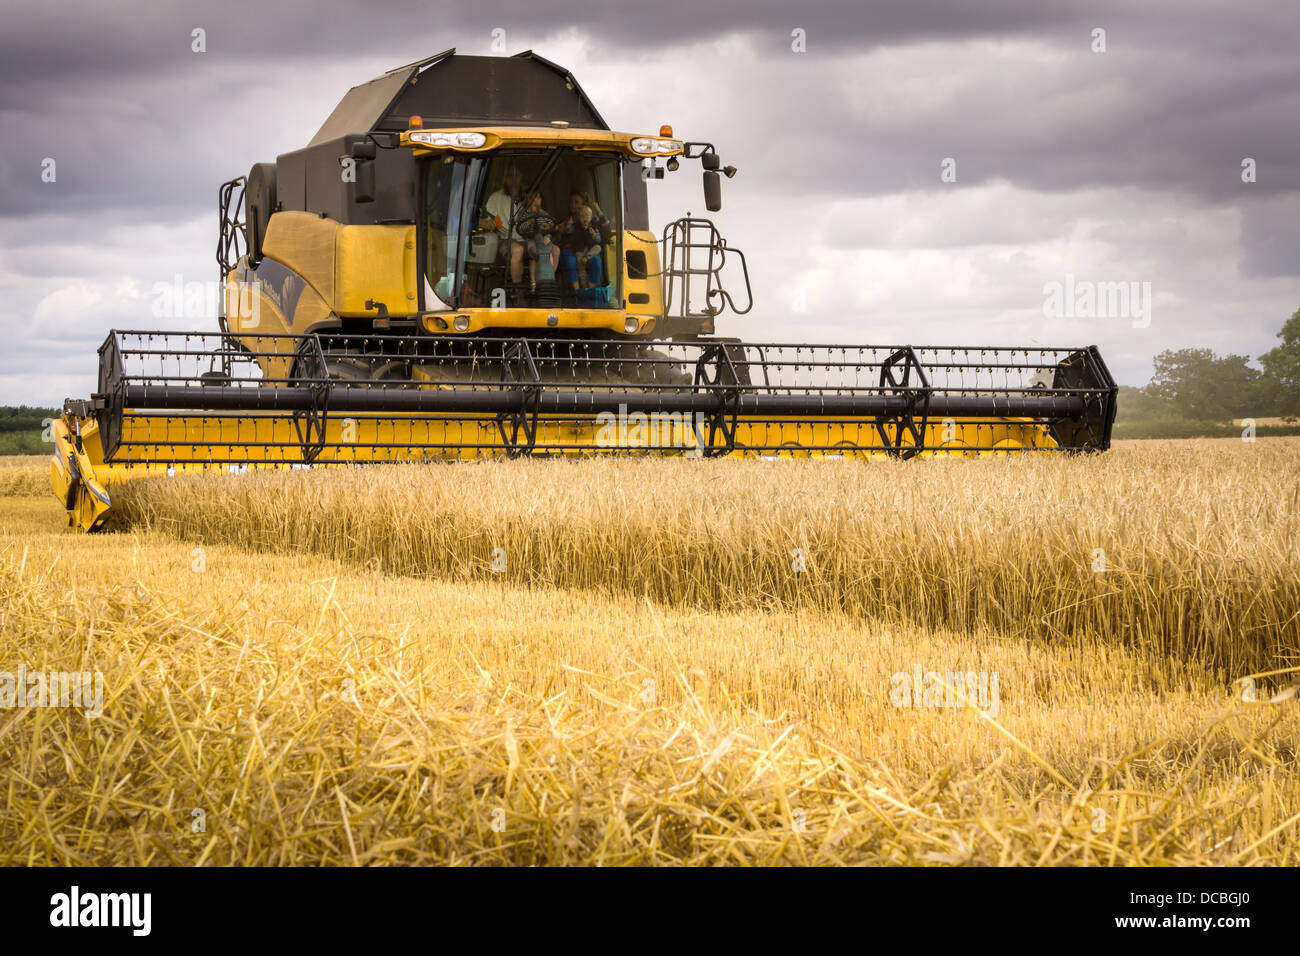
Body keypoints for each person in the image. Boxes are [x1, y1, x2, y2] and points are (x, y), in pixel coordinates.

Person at [479, 164, 527, 285]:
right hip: (505, 239)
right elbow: (483, 221)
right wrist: (488, 224)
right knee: (517, 250)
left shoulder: (529, 197)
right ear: (504, 178)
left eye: (517, 175)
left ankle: (544, 292)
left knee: (552, 250)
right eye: (510, 176)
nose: (514, 179)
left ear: (522, 177)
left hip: (527, 239)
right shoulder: (496, 198)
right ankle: (517, 290)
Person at [558, 202, 609, 292]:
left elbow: (598, 240)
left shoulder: (594, 227)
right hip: (579, 251)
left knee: (598, 248)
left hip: (590, 251)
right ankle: (583, 285)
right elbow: (568, 231)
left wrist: (594, 236)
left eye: (587, 215)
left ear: (591, 216)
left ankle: (590, 289)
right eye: (581, 216)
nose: (584, 217)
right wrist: (568, 226)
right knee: (581, 268)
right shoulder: (576, 226)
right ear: (578, 218)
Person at [514, 192, 559, 293]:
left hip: (544, 239)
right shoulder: (523, 212)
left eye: (538, 197)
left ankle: (548, 281)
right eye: (533, 197)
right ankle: (534, 285)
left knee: (555, 251)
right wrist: (529, 221)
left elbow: (551, 225)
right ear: (528, 200)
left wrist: (549, 227)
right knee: (535, 254)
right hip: (530, 238)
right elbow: (520, 228)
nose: (536, 200)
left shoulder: (543, 213)